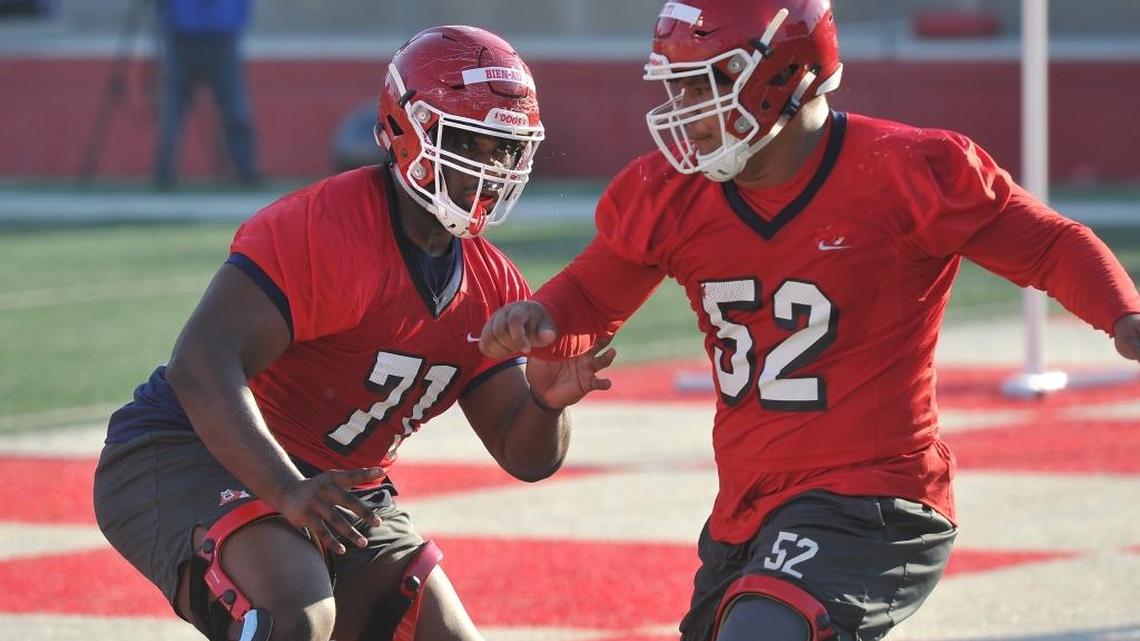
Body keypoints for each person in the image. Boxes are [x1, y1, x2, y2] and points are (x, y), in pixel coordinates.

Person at [479, 2, 1140, 641]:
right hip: (745, 511)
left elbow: (1050, 244)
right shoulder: (672, 193)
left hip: (875, 498)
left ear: (782, 74)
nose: (684, 111)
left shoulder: (905, 172)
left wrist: (1123, 311)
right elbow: (591, 298)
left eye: (701, 83)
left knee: (767, 627)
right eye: (675, 88)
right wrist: (541, 317)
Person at [94, 25, 614, 641]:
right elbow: (202, 363)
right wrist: (286, 488)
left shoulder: (493, 283)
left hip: (341, 485)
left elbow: (524, 455)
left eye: (504, 148)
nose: (490, 167)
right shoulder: (327, 228)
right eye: (472, 141)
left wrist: (547, 403)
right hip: (193, 450)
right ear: (406, 129)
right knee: (298, 614)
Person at [153, 0, 261, 189]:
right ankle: (164, 172)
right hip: (182, 37)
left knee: (236, 111)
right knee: (172, 114)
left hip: (221, 35)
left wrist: (236, 21)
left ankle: (246, 170)